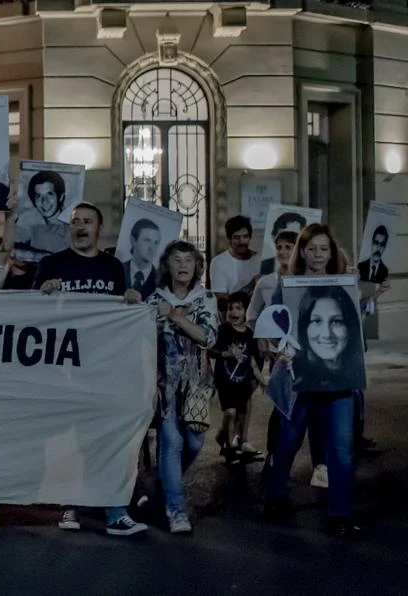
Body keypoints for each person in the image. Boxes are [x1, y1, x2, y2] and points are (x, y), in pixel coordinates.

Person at [36, 204, 147, 537]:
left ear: (100, 227)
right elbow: (31, 312)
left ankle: (115, 511)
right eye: (75, 222)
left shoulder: (112, 266)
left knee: (108, 438)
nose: (80, 226)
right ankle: (70, 504)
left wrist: (130, 300)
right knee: (70, 440)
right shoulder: (51, 264)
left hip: (103, 365)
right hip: (65, 366)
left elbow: (120, 314)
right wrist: (43, 293)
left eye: (87, 221)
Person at [265, 265, 360, 535]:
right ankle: (275, 495)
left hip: (340, 386)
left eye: (337, 321)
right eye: (316, 321)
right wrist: (280, 346)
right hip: (300, 381)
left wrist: (366, 294)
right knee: (288, 440)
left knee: (341, 448)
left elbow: (361, 319)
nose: (326, 333)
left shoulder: (345, 281)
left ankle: (339, 514)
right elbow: (273, 324)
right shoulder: (289, 284)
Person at [149, 240, 218, 534]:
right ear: (168, 265)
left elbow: (208, 337)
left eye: (188, 260)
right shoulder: (154, 299)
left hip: (197, 386)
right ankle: (177, 511)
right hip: (164, 386)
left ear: (196, 266)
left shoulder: (206, 298)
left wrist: (175, 316)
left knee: (193, 442)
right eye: (176, 260)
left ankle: (165, 479)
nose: (183, 265)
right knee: (171, 443)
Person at [210, 292, 265, 461]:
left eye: (238, 308)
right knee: (230, 412)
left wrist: (260, 380)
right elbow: (212, 350)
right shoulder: (223, 330)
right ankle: (230, 447)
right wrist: (226, 354)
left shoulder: (249, 335)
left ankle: (227, 442)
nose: (233, 312)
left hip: (241, 381)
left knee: (239, 413)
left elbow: (254, 360)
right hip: (225, 380)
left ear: (246, 311)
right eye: (230, 309)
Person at [13, 170, 69, 261]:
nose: (44, 201)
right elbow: (9, 248)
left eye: (49, 194)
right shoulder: (28, 218)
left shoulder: (72, 223)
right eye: (38, 196)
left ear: (61, 197)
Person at [247, 230, 298, 322]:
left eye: (288, 247)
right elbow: (252, 314)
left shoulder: (305, 280)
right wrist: (260, 334)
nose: (282, 251)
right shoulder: (265, 281)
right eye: (279, 247)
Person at [211, 215, 259, 301]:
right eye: (236, 237)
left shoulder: (259, 260)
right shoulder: (219, 262)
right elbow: (221, 301)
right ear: (229, 239)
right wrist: (250, 286)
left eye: (245, 236)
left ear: (250, 237)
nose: (242, 242)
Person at [123, 218, 161, 299]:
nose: (152, 248)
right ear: (133, 240)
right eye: (147, 240)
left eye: (156, 242)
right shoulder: (118, 270)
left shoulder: (162, 279)